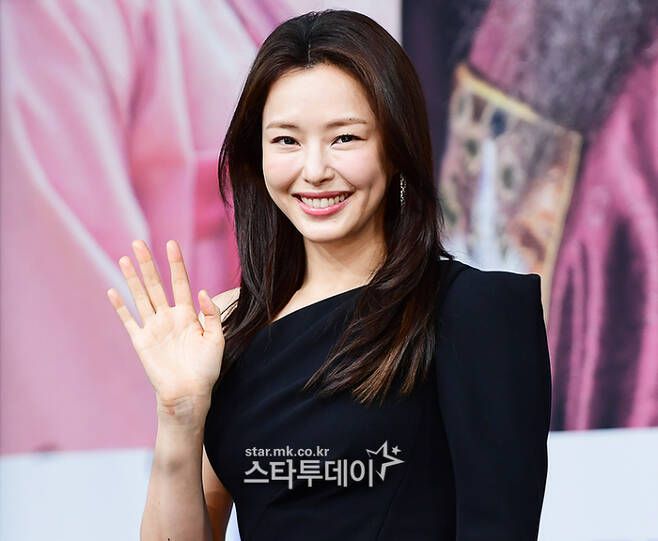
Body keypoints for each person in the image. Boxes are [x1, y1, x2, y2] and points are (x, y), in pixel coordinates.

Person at [106, 9, 552, 541]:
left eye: (344, 138)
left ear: (396, 145)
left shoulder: (472, 311)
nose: (314, 170)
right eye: (286, 141)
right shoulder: (227, 331)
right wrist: (179, 415)